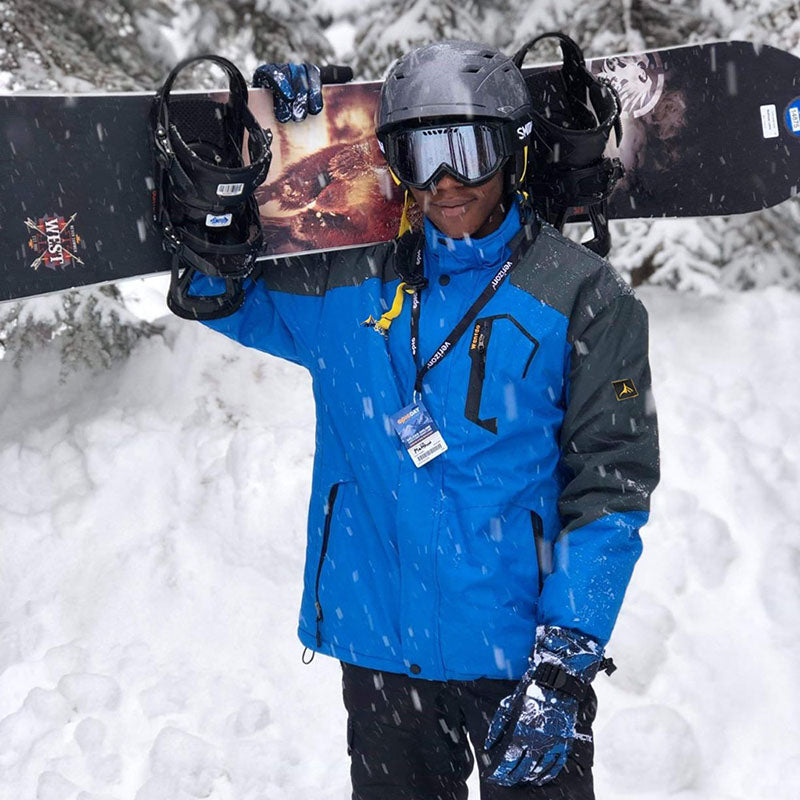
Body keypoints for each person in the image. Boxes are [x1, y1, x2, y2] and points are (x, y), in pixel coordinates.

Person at [187, 40, 659, 800]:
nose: (445, 180)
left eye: (469, 151)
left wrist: (563, 662)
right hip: (385, 659)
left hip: (520, 661)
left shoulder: (583, 298)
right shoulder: (346, 285)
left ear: (510, 153)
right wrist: (263, 155)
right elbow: (221, 291)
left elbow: (611, 485)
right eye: (420, 153)